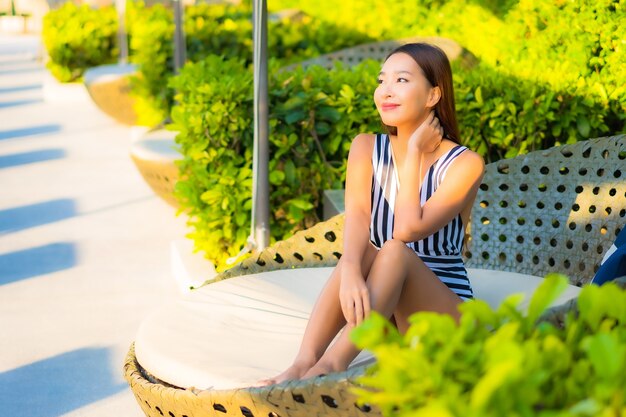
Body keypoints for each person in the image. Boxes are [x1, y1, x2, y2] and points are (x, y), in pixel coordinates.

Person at [261, 42, 485, 385]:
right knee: (364, 250)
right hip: (387, 316)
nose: (386, 91)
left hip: (443, 316)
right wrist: (350, 268)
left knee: (394, 249)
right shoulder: (366, 146)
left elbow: (408, 230)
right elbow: (358, 217)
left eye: (401, 80)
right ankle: (303, 363)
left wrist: (412, 152)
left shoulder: (465, 164)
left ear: (433, 95)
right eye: (382, 81)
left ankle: (333, 364)